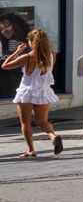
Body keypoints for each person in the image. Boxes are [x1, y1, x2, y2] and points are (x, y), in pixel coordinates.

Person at [5, 28, 59, 158]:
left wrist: (17, 52)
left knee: (26, 122)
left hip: (26, 92)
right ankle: (53, 136)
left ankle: (31, 150)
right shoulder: (52, 55)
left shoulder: (27, 57)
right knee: (43, 122)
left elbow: (5, 66)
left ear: (31, 42)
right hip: (43, 92)